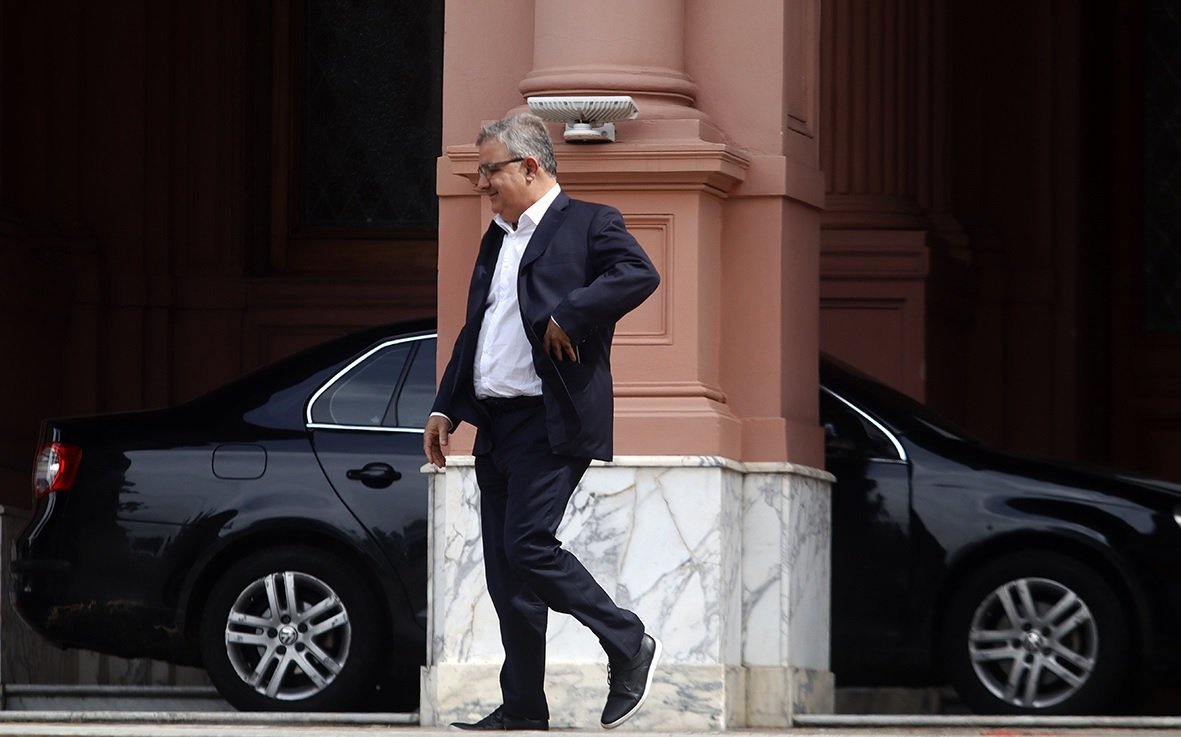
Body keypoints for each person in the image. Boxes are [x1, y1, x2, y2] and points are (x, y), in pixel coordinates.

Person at [423, 112, 662, 731]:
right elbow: (478, 329)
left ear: (529, 166)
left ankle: (628, 641)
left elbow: (639, 273)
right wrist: (446, 404)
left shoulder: (590, 222)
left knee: (528, 546)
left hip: (550, 420)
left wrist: (571, 314)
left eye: (489, 171)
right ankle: (525, 708)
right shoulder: (496, 237)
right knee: (508, 578)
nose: (482, 184)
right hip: (496, 423)